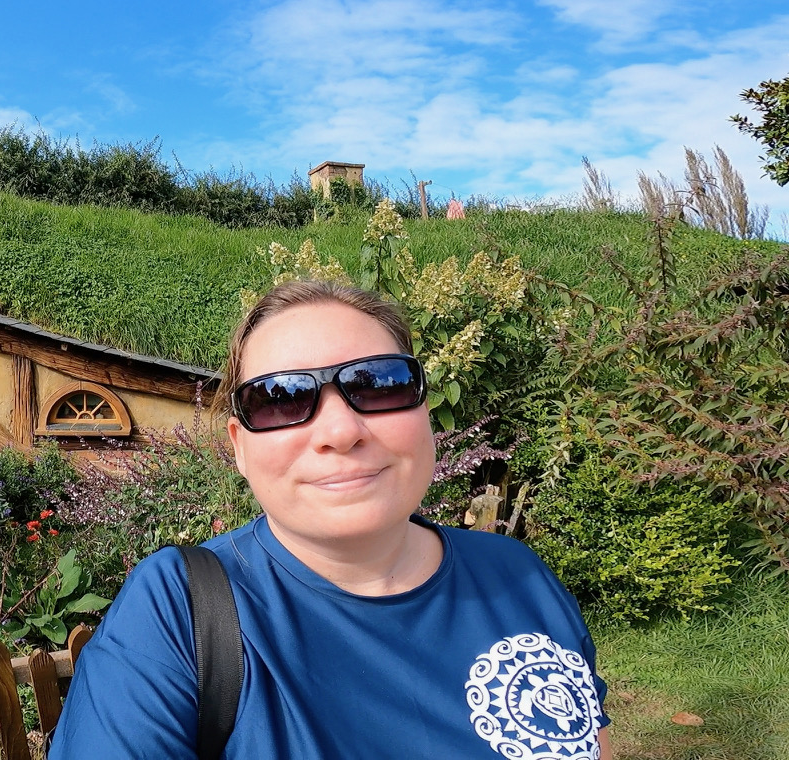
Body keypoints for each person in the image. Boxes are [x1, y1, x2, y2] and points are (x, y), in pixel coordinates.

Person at [48, 280, 611, 759]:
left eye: (379, 384)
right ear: (240, 448)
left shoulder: (517, 575)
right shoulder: (177, 610)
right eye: (279, 399)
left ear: (423, 408)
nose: (341, 432)